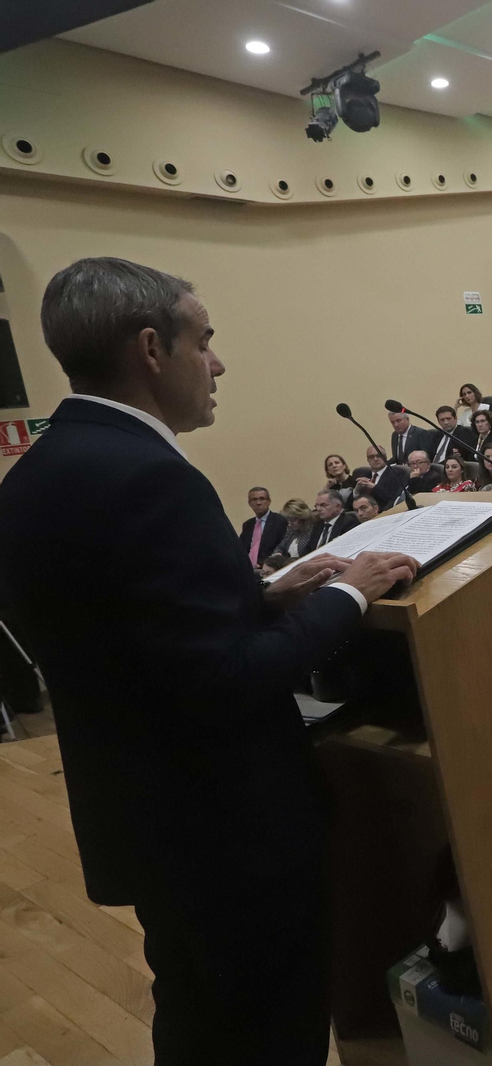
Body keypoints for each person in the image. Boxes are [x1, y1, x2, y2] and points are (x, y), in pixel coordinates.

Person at [0, 257, 420, 1062]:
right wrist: (349, 593)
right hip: (228, 832)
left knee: (197, 1019)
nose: (218, 363)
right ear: (151, 349)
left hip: (144, 819)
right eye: (205, 341)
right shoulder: (152, 476)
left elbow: (128, 634)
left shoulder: (37, 474)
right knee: (271, 1032)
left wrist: (259, 594)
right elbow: (226, 679)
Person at [239, 486, 287, 570]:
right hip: (248, 569)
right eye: (254, 499)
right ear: (249, 503)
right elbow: (242, 549)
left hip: (269, 568)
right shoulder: (247, 525)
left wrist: (263, 564)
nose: (258, 503)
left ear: (269, 501)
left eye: (262, 499)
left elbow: (282, 547)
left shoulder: (279, 521)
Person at [354, 445, 408, 509]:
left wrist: (374, 487)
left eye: (379, 455)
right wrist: (357, 491)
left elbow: (393, 498)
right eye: (371, 457)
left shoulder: (396, 474)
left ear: (385, 457)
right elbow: (349, 504)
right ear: (368, 460)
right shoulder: (364, 475)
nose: (375, 459)